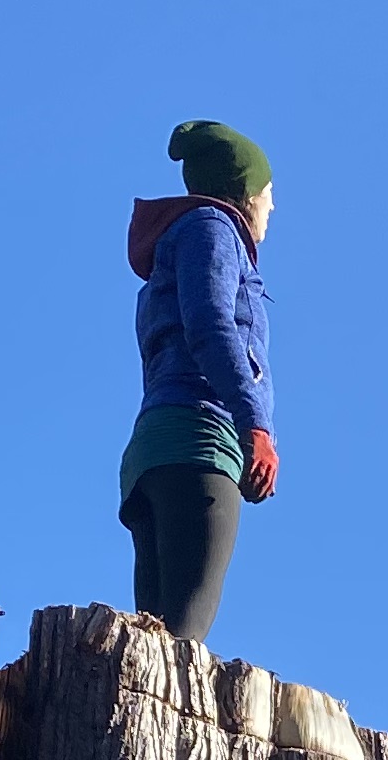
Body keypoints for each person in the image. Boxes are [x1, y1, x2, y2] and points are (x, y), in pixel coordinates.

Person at [117, 119, 277, 643]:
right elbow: (211, 325)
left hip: (157, 447)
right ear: (245, 193)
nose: (272, 208)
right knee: (182, 644)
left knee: (153, 639)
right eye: (268, 193)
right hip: (199, 446)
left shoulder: (181, 239)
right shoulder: (212, 229)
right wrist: (255, 425)